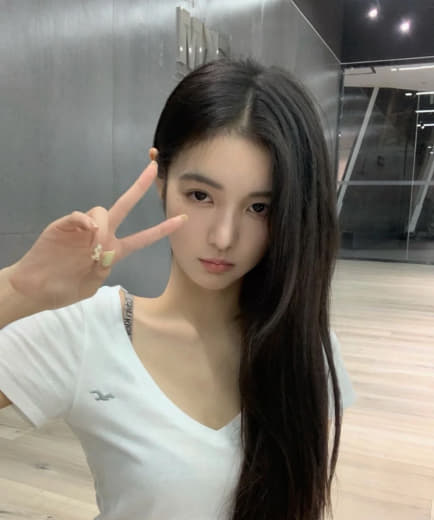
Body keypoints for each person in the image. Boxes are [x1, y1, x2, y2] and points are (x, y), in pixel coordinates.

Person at [0, 58, 356, 520]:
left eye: (260, 207)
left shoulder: (304, 347)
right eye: (201, 196)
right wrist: (20, 289)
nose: (223, 237)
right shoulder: (89, 332)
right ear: (161, 178)